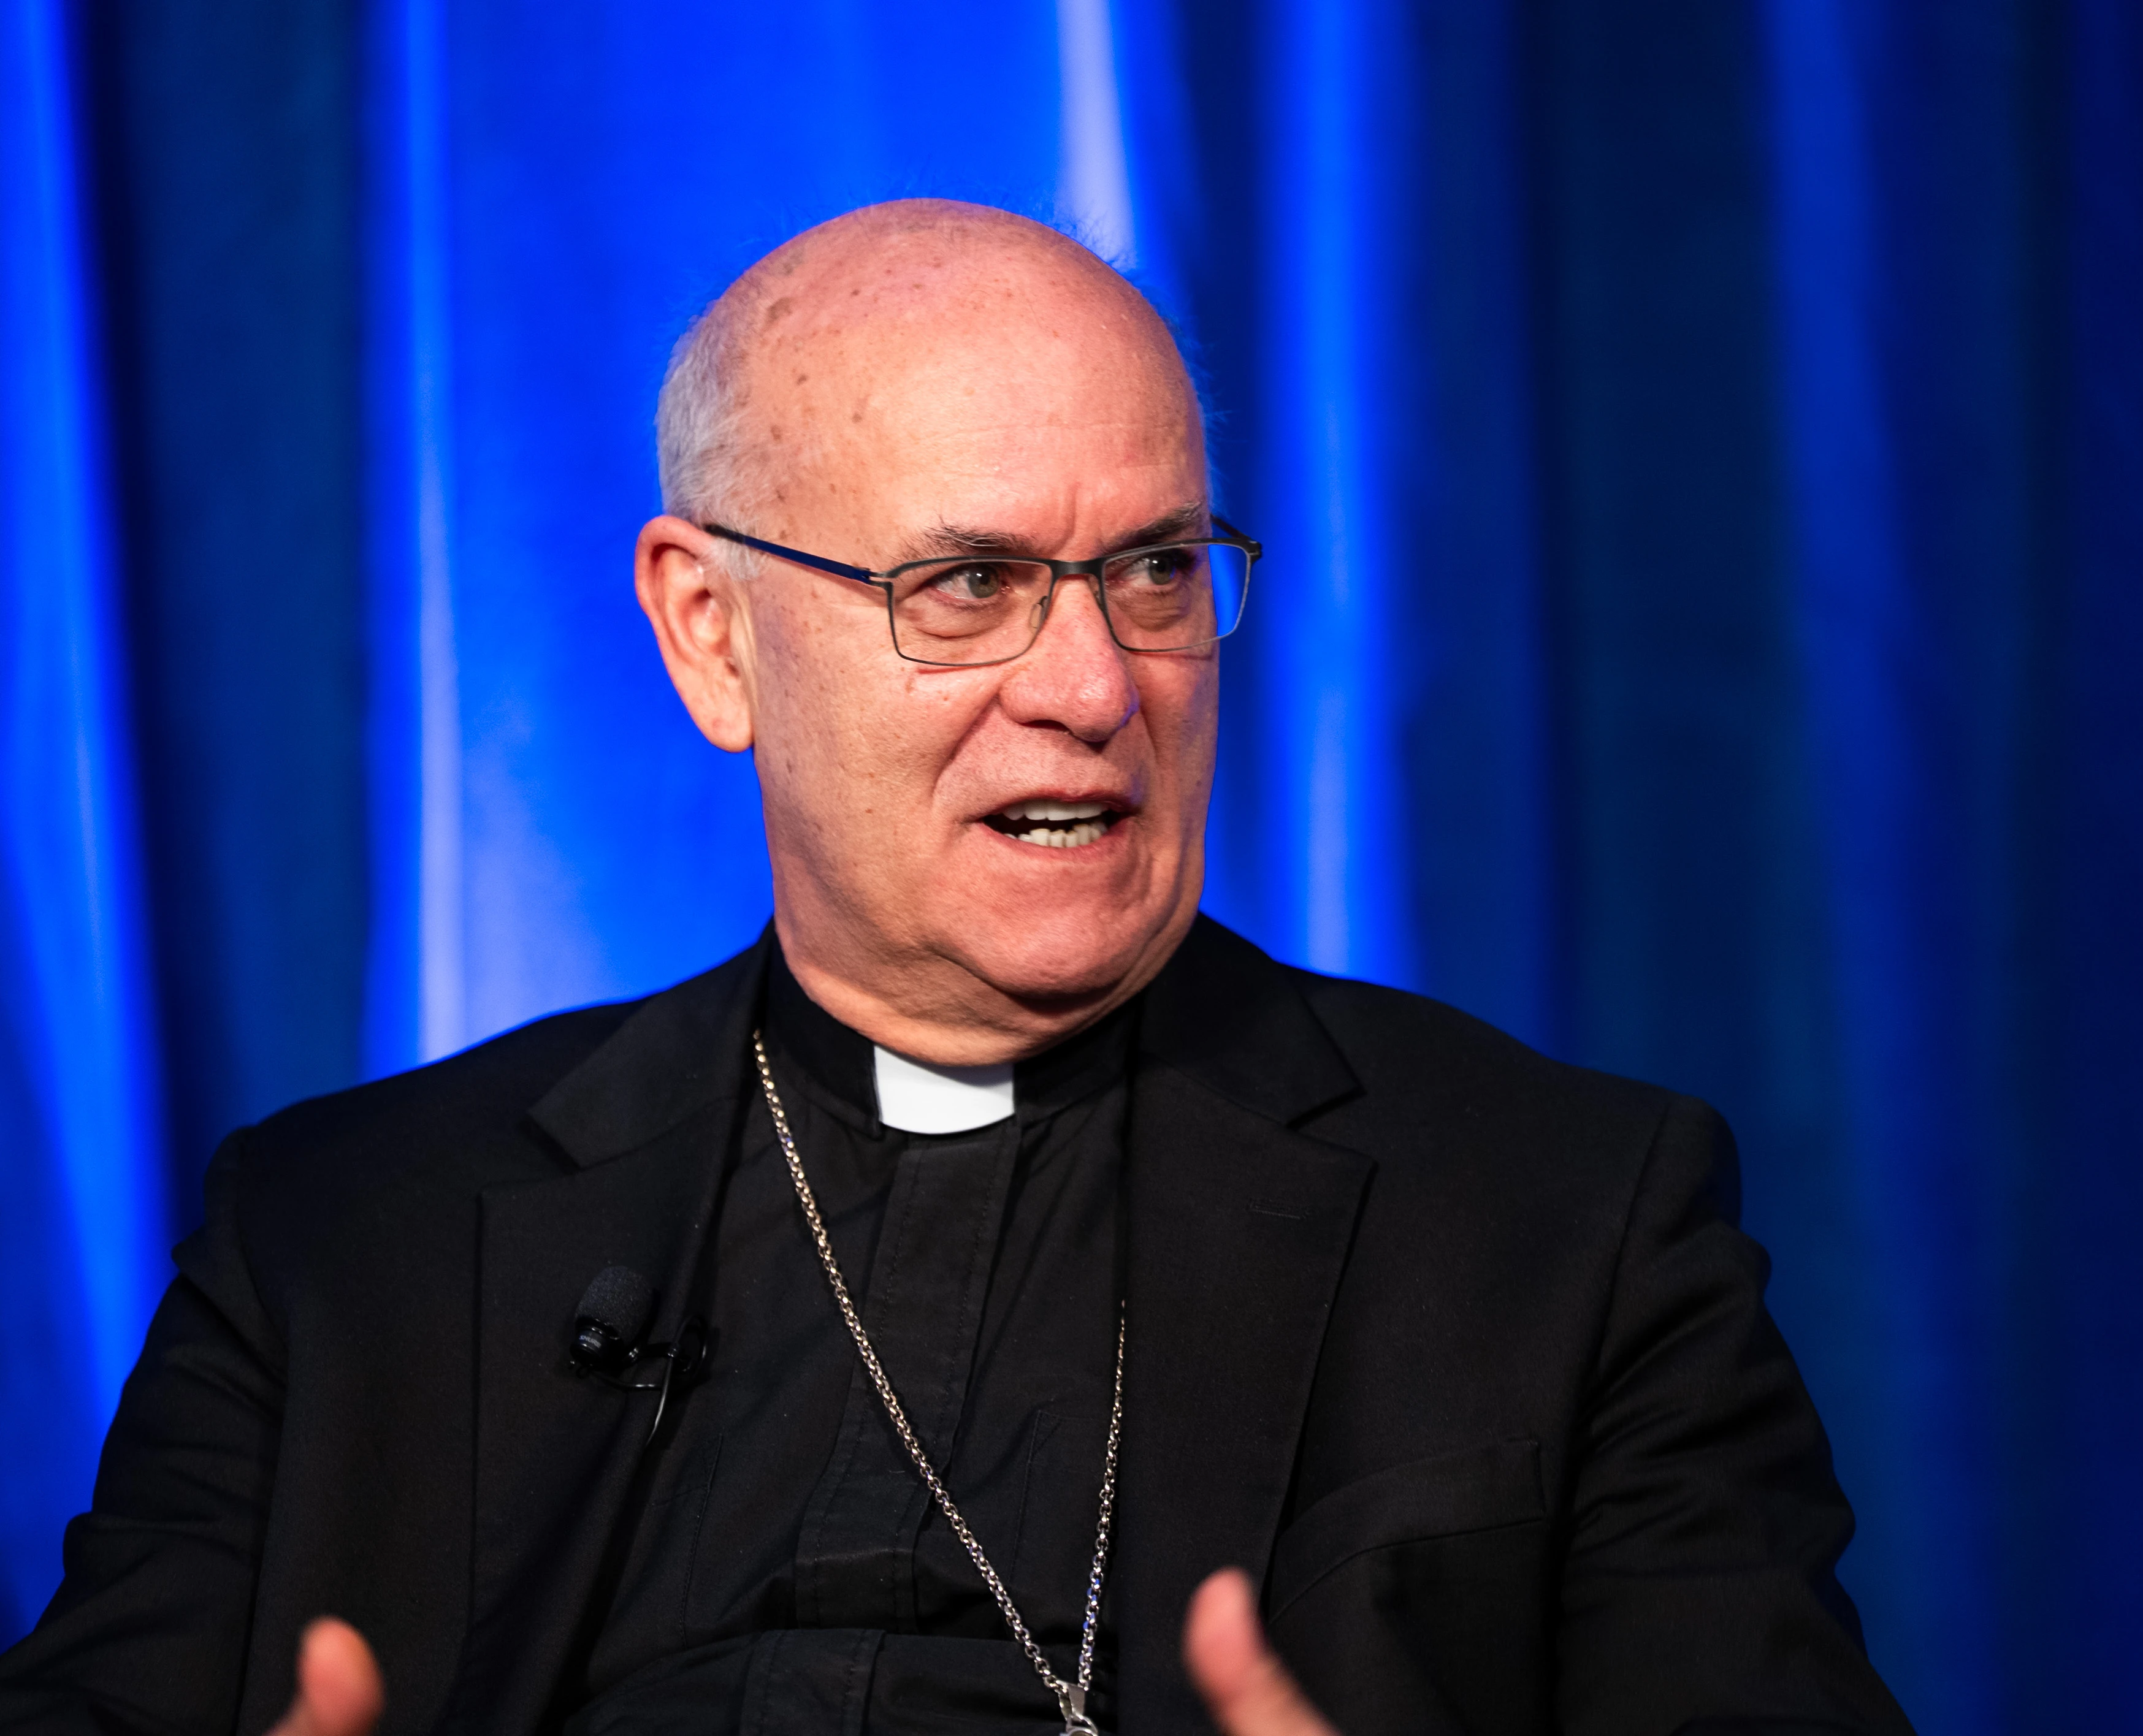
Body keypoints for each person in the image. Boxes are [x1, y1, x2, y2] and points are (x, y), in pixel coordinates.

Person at [0, 200, 1911, 1736]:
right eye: (970, 586)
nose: (1094, 687)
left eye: (1156, 570)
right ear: (711, 634)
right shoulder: (343, 1243)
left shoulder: (1567, 1224)